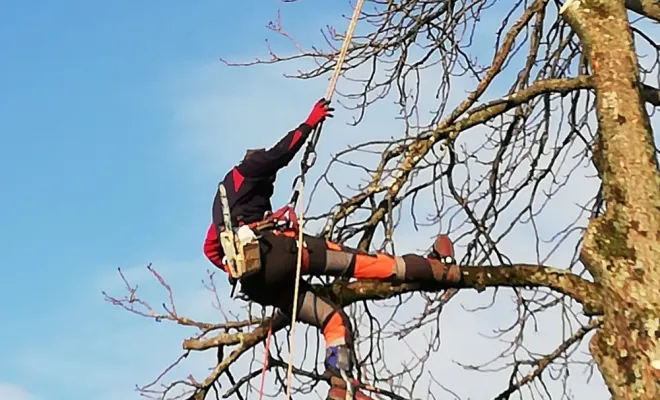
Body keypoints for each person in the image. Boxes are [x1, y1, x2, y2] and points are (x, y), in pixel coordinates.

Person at [202, 98, 462, 396]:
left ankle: (339, 385)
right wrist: (310, 122)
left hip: (259, 286)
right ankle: (440, 270)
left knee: (333, 320)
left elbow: (209, 249)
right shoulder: (246, 170)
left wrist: (235, 264)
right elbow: (279, 154)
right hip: (282, 254)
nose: (271, 183)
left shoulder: (222, 207)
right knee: (360, 262)